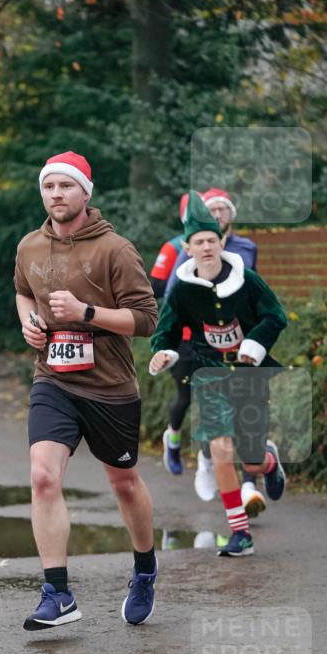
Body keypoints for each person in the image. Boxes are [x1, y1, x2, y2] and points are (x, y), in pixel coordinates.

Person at [14, 151, 159, 629]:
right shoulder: (29, 246)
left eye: (66, 186)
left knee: (123, 482)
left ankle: (144, 569)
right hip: (52, 378)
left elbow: (145, 320)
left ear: (85, 193)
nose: (56, 194)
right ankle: (57, 593)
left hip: (109, 386)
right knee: (42, 476)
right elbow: (22, 290)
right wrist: (29, 323)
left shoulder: (115, 249)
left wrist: (86, 314)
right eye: (49, 186)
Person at [149, 191, 287, 557]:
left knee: (251, 458)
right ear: (187, 247)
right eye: (199, 242)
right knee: (220, 451)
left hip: (249, 373)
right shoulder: (182, 290)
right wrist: (162, 351)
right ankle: (240, 533)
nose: (207, 247)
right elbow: (166, 331)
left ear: (222, 241)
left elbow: (277, 317)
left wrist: (254, 344)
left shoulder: (248, 280)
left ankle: (269, 463)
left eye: (212, 240)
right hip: (209, 374)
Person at [165, 188, 265, 516]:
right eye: (213, 209)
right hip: (197, 344)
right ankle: (204, 459)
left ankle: (250, 484)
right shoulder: (190, 250)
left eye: (224, 208)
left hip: (242, 343)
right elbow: (173, 296)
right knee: (194, 404)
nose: (219, 213)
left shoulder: (246, 249)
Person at [148, 193, 192, 477]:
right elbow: (155, 286)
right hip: (184, 336)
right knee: (186, 395)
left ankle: (215, 464)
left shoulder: (233, 249)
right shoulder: (174, 247)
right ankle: (173, 439)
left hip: (221, 337)